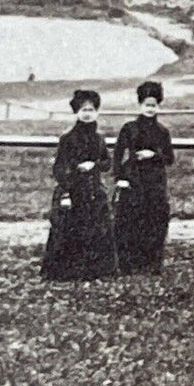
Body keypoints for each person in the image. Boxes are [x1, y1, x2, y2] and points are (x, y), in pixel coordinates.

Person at [41, 89, 118, 281]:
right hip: (74, 190)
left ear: (97, 112)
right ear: (76, 112)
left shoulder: (99, 138)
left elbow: (106, 163)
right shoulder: (68, 138)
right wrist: (66, 192)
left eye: (91, 109)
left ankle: (95, 271)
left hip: (94, 191)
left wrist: (94, 165)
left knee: (97, 228)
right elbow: (59, 168)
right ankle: (68, 272)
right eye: (83, 109)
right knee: (71, 228)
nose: (87, 113)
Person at [113, 79, 175, 274]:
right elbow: (117, 154)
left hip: (155, 180)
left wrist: (154, 155)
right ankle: (129, 263)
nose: (150, 109)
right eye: (147, 105)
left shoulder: (162, 131)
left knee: (154, 219)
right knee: (130, 219)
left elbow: (170, 158)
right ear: (140, 105)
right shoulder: (129, 128)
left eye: (153, 105)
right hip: (133, 177)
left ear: (158, 106)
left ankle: (151, 263)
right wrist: (119, 178)